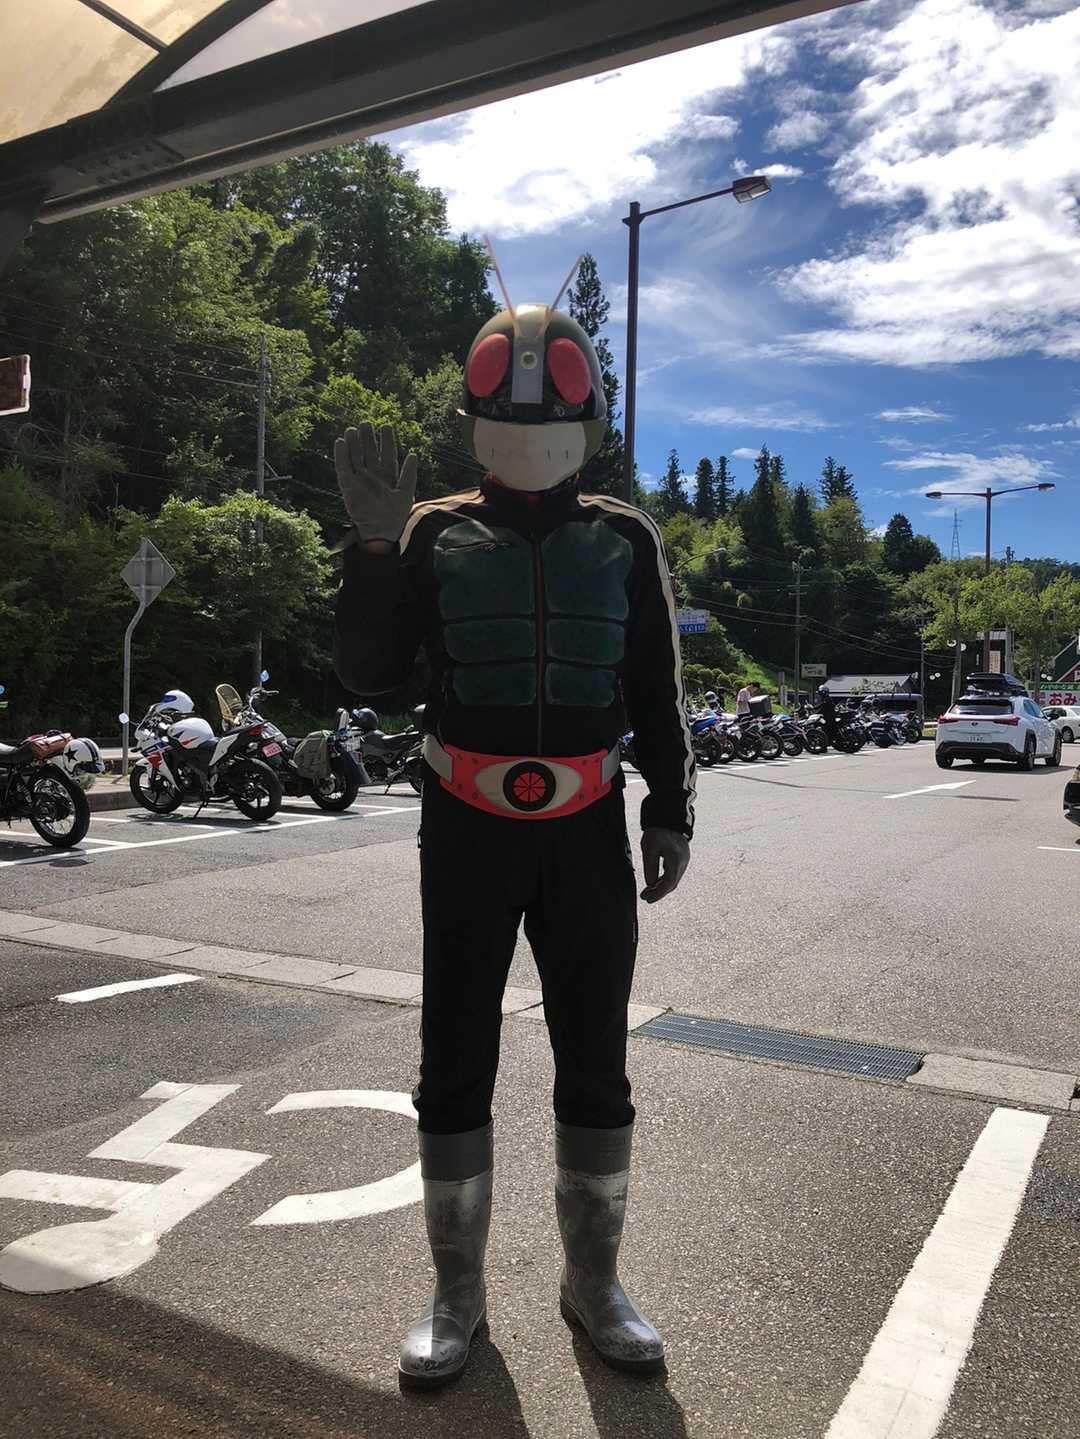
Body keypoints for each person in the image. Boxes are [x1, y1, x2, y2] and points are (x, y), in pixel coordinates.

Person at [333, 291, 694, 1389]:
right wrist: (371, 550)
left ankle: (595, 1281)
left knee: (598, 1059)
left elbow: (657, 685)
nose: (534, 403)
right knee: (454, 1059)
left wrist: (669, 804)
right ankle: (458, 1291)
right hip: (467, 827)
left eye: (555, 383)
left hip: (586, 826)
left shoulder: (624, 536)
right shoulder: (430, 531)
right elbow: (369, 675)